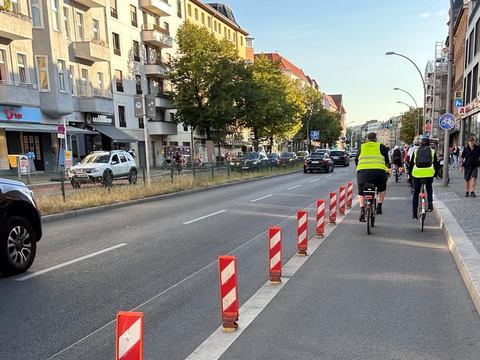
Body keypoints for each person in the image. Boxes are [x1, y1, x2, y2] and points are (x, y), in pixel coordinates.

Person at [355, 132, 390, 222]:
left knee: (360, 191)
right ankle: (379, 206)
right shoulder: (381, 147)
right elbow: (387, 161)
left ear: (367, 138)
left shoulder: (362, 146)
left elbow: (356, 160)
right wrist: (387, 169)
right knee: (382, 188)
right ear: (376, 138)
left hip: (363, 174)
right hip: (378, 174)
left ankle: (362, 210)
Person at [409, 136, 439, 220]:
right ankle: (430, 204)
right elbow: (436, 164)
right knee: (429, 187)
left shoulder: (415, 151)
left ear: (420, 144)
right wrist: (435, 174)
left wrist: (410, 174)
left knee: (416, 193)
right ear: (429, 144)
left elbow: (411, 164)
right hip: (429, 174)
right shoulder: (432, 151)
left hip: (417, 174)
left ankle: (414, 214)